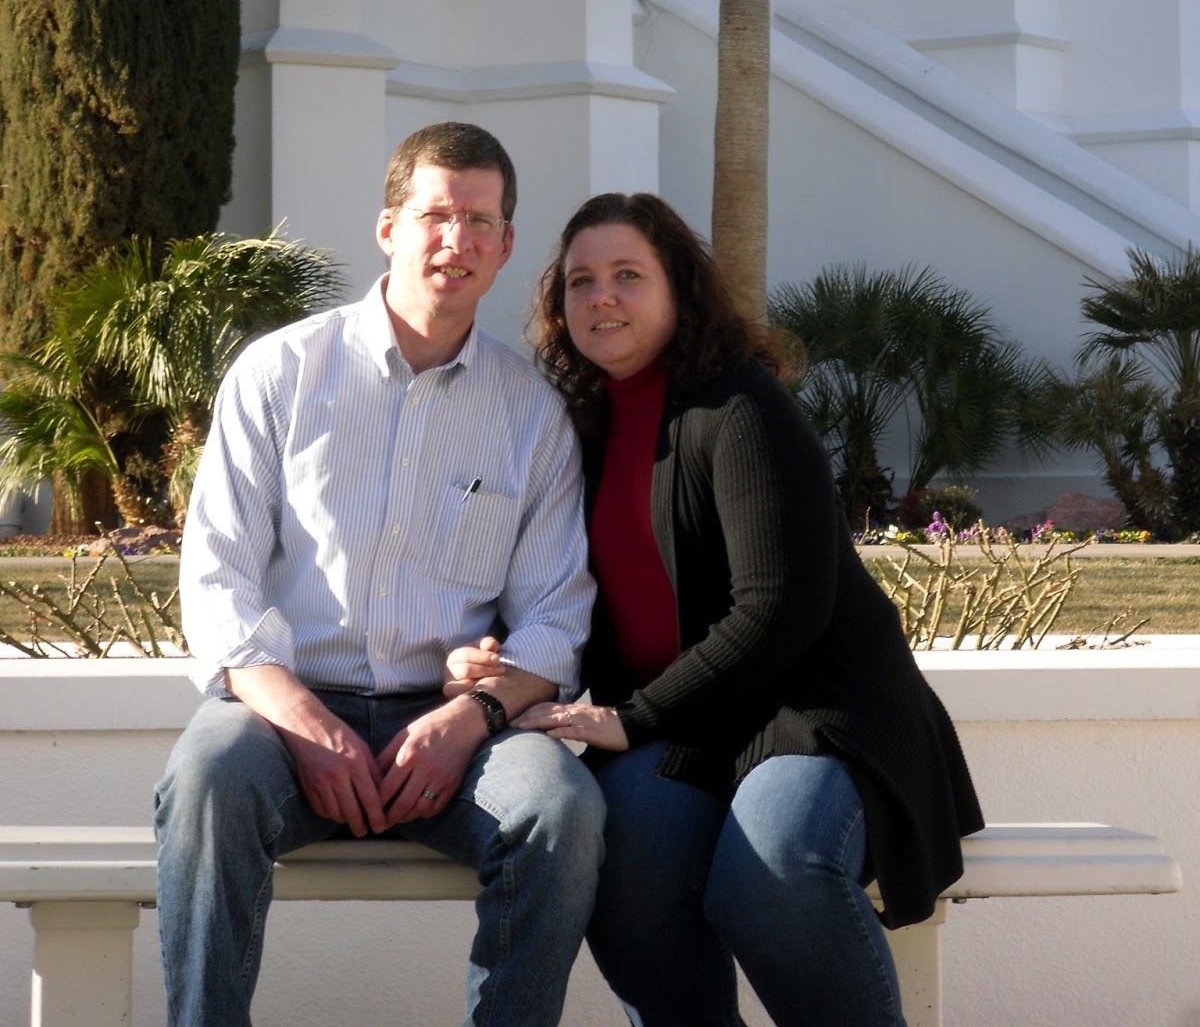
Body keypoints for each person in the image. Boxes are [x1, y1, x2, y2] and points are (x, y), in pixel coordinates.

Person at [449, 192, 984, 1027]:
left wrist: (632, 718)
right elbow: (557, 585)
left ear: (680, 291)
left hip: (814, 712)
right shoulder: (577, 429)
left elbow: (778, 610)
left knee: (771, 871)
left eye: (629, 275)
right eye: (581, 281)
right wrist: (496, 650)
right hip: (691, 729)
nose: (602, 296)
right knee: (621, 865)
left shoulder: (742, 409)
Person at [154, 122, 604, 1027]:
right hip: (280, 716)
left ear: (506, 243)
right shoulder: (280, 374)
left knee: (560, 807)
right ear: (389, 227)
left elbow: (556, 618)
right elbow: (217, 581)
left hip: (453, 728)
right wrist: (304, 720)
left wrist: (469, 719)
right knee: (208, 777)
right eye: (436, 214)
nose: (456, 239)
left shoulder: (531, 413)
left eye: (480, 221)